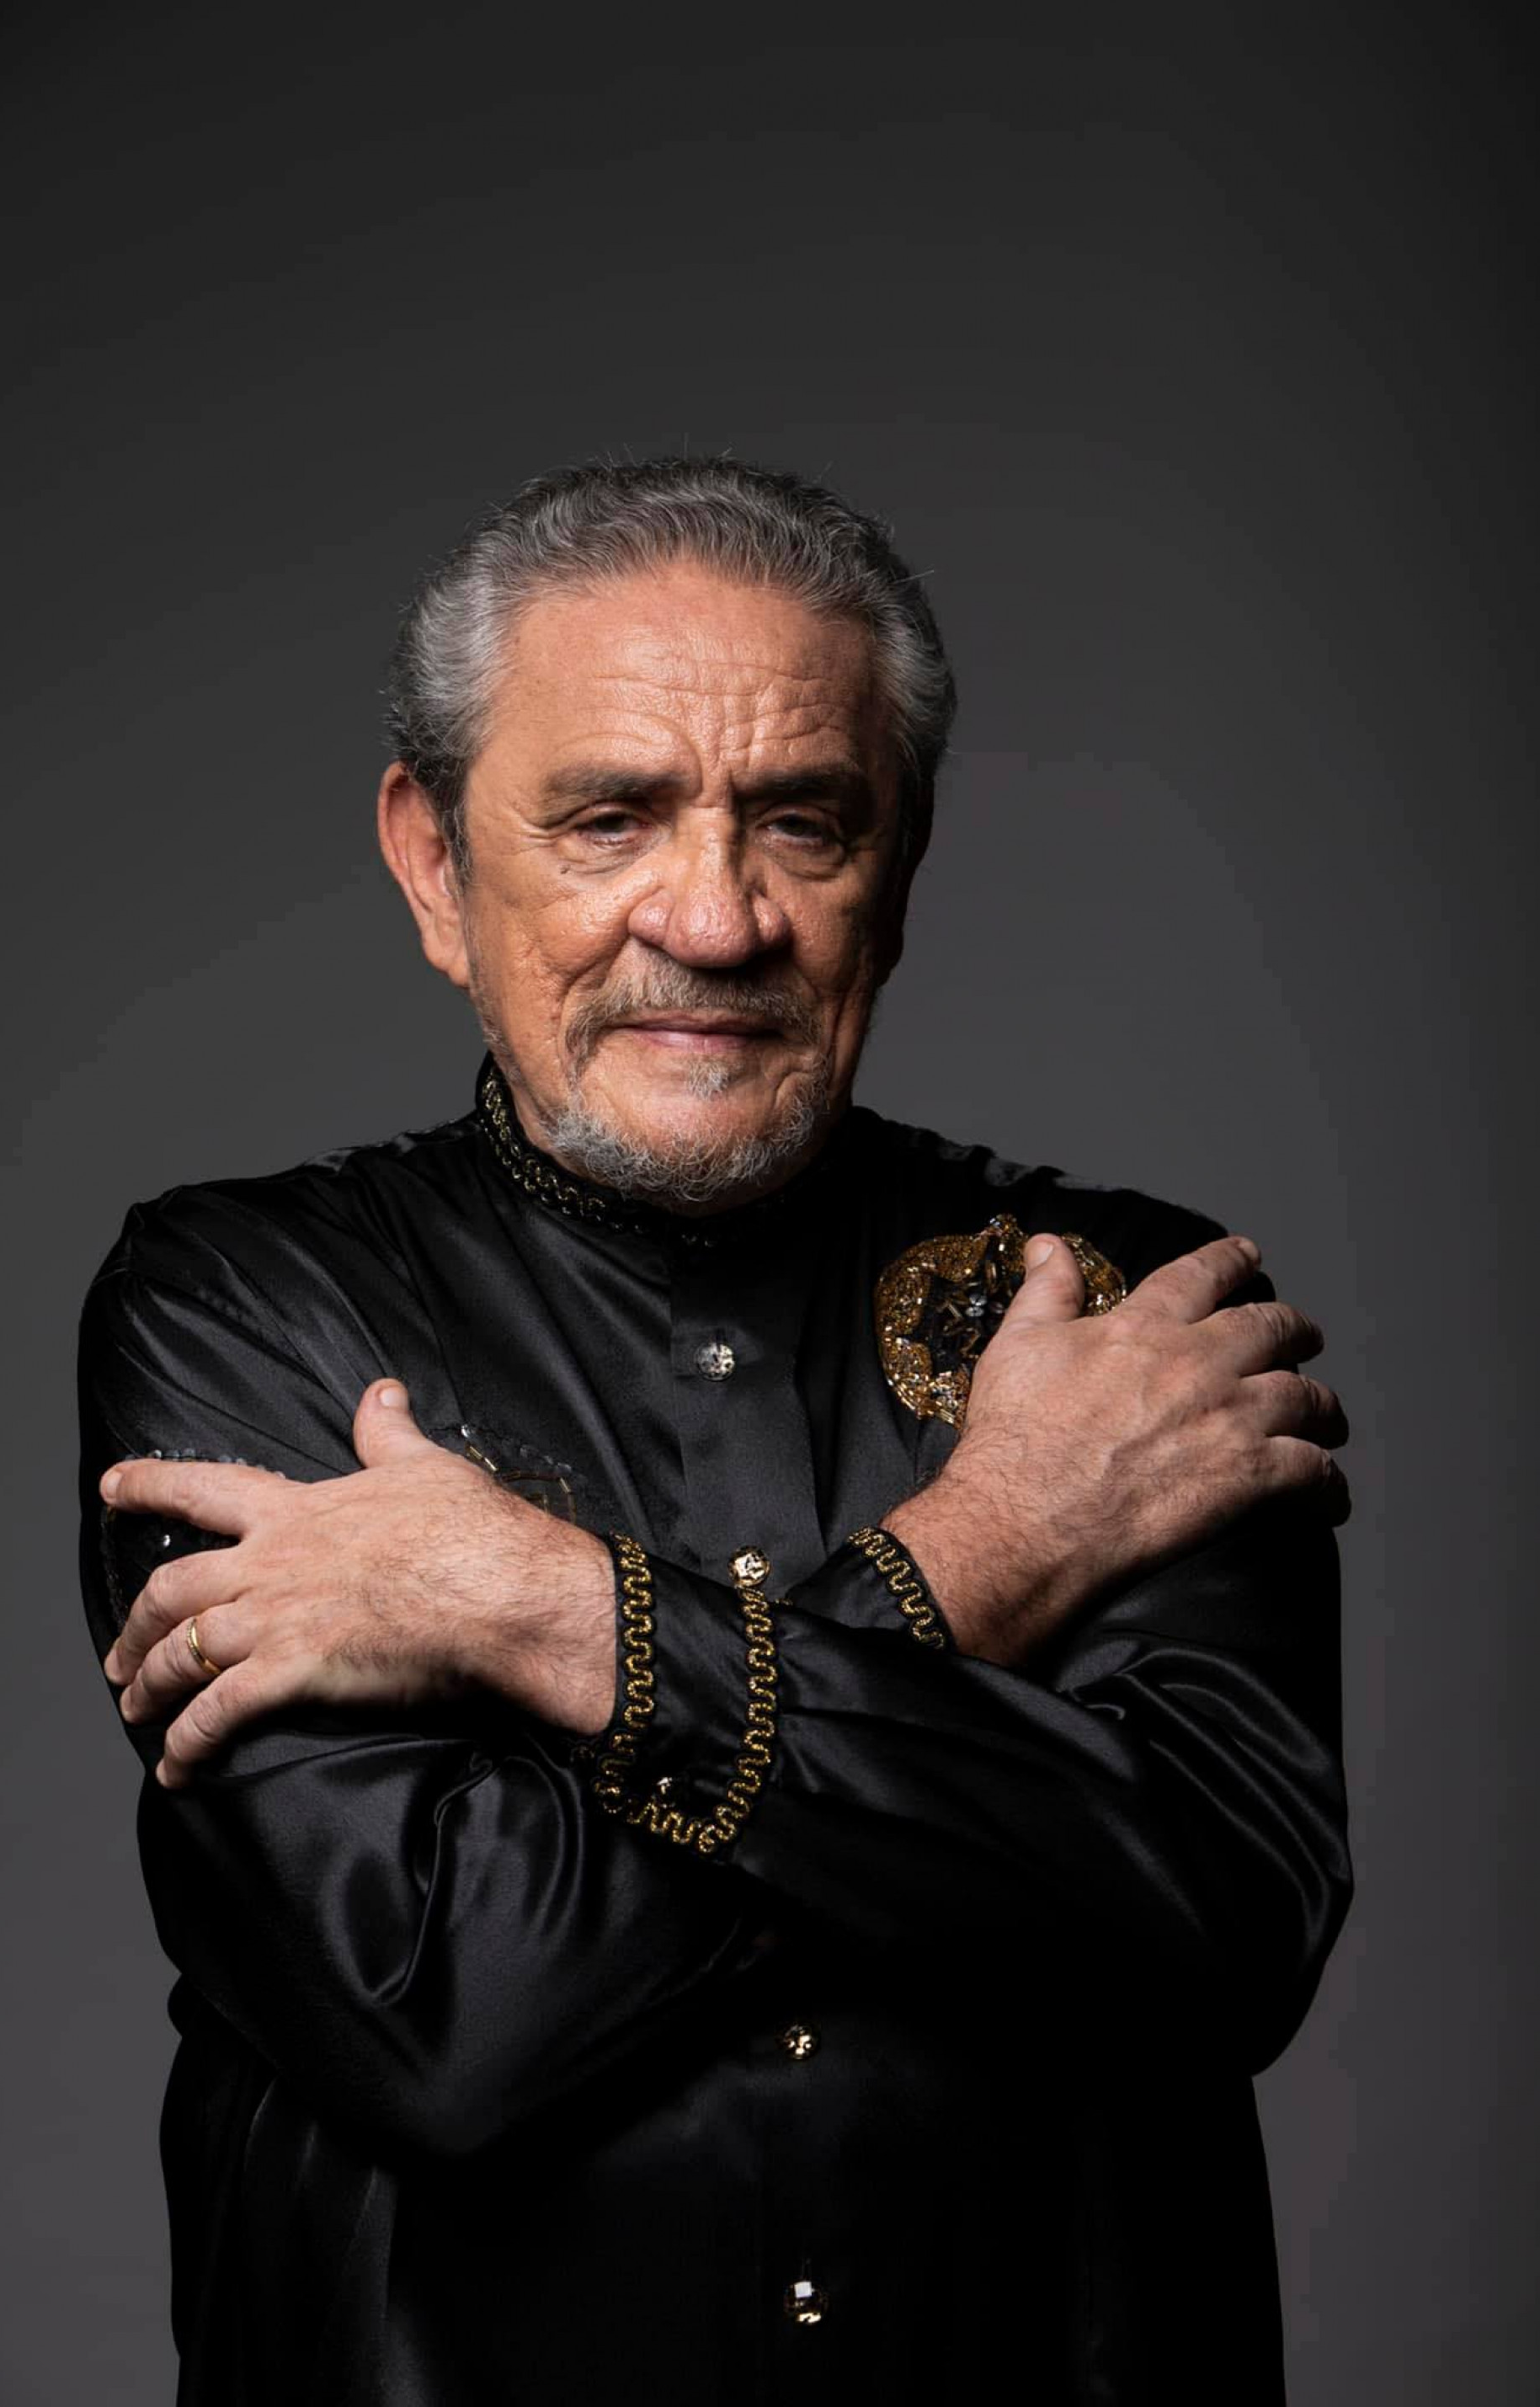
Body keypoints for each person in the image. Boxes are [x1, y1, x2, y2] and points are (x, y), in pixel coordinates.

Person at [77, 456, 1353, 2406]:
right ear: (434, 863)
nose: (717, 915)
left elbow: (1214, 1936)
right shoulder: (249, 1305)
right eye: (610, 819)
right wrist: (988, 1555)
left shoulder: (1125, 1317)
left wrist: (552, 1619)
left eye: (803, 823)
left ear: (899, 866)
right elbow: (442, 2010)